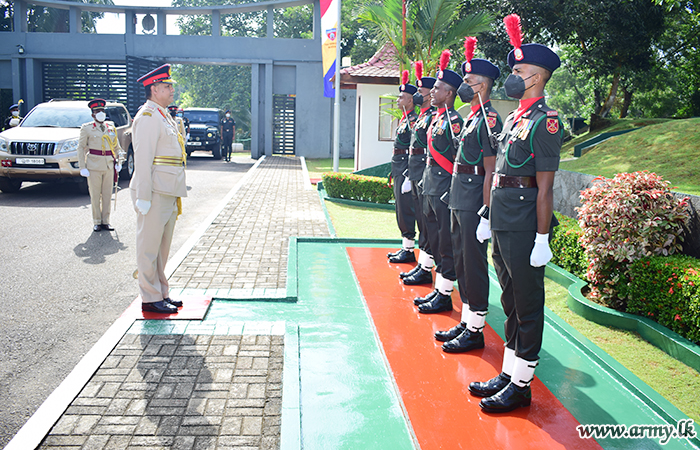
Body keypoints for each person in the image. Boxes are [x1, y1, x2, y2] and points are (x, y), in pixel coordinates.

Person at [468, 14, 563, 413]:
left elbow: (544, 187)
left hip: (526, 225)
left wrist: (542, 238)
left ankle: (522, 384)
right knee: (509, 298)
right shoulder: (514, 119)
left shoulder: (546, 122)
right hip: (504, 220)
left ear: (538, 77)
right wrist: (488, 213)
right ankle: (509, 372)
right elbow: (500, 174)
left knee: (527, 301)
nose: (513, 75)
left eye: (520, 70)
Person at [436, 38, 502, 353]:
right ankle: (467, 319)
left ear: (484, 84)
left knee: (473, 265)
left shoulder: (489, 119)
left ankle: (476, 329)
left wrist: (486, 212)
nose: (464, 84)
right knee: (461, 261)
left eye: (469, 80)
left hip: (474, 199)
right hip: (458, 195)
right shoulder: (473, 116)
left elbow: (491, 170)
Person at [130, 64, 188, 314]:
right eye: (167, 87)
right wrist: (143, 195)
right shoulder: (148, 116)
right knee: (149, 246)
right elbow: (143, 158)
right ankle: (149, 296)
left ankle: (161, 291)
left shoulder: (163, 114)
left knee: (162, 248)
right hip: (153, 191)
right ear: (154, 90)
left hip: (167, 189)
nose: (171, 90)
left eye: (171, 86)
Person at [414, 50, 463, 314]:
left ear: (450, 93)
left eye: (438, 88)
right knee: (433, 238)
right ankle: (438, 288)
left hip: (444, 189)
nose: (433, 92)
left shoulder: (454, 121)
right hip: (430, 186)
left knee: (446, 244)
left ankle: (445, 294)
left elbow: (457, 161)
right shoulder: (436, 119)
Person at [401, 61, 436, 286]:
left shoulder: (432, 116)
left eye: (421, 93)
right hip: (415, 172)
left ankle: (426, 267)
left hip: (427, 175)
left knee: (427, 225)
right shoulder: (422, 117)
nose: (417, 96)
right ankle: (423, 265)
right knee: (423, 223)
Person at [77, 98, 124, 232]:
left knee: (107, 195)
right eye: (97, 111)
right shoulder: (87, 128)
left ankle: (106, 221)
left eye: (102, 111)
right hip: (93, 166)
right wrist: (82, 167)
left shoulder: (111, 127)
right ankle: (97, 221)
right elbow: (81, 148)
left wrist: (119, 162)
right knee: (96, 195)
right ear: (93, 114)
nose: (101, 113)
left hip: (109, 165)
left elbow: (117, 147)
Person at [387, 70, 418, 264]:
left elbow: (415, 149)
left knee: (406, 209)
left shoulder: (414, 121)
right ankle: (405, 246)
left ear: (411, 101)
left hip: (406, 168)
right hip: (398, 167)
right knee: (400, 208)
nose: (398, 99)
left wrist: (408, 173)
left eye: (402, 97)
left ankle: (409, 250)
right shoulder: (404, 120)